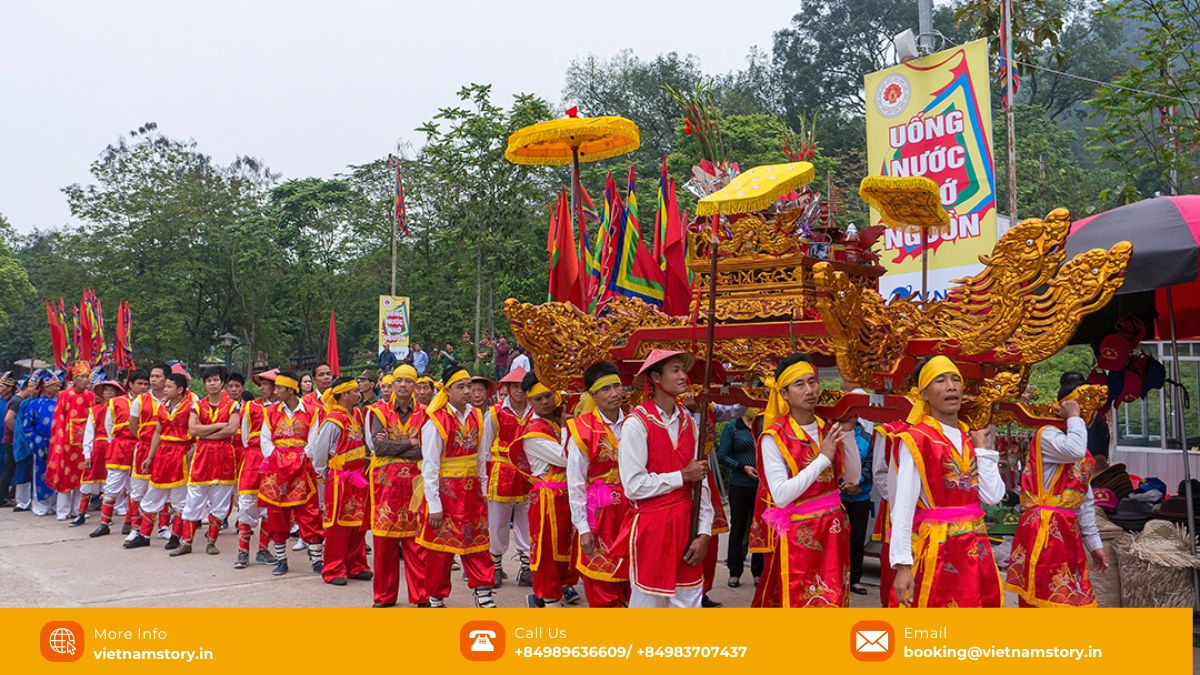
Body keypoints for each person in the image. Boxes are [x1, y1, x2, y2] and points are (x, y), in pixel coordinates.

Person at [890, 355, 1005, 608]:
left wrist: (982, 449)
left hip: (976, 546)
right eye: (939, 380)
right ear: (924, 394)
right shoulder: (917, 439)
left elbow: (993, 496)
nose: (951, 386)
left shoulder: (968, 437)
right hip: (938, 549)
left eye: (955, 379)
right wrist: (902, 565)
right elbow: (903, 507)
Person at [750, 354, 860, 608]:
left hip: (834, 528)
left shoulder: (826, 427)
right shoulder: (774, 437)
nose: (810, 390)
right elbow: (781, 495)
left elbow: (853, 478)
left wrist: (847, 431)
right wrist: (823, 458)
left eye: (812, 382)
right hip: (801, 535)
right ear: (784, 393)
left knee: (835, 599)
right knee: (803, 601)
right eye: (800, 384)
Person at [614, 350, 713, 608]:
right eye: (675, 370)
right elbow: (634, 486)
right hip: (652, 527)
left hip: (686, 525)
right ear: (656, 377)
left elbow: (701, 480)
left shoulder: (689, 422)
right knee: (648, 606)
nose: (683, 376)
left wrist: (703, 531)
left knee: (689, 604)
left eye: (683, 369)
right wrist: (682, 476)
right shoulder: (636, 424)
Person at [1004, 372, 1109, 607]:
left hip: (1067, 532)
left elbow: (1085, 502)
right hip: (1045, 530)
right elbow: (1074, 449)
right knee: (1048, 599)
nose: (1085, 416)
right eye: (1081, 409)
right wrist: (1074, 417)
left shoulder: (1082, 453)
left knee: (1073, 598)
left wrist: (1095, 545)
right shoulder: (1048, 436)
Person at [417, 366, 495, 608]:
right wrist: (434, 505)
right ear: (447, 390)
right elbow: (429, 466)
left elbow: (481, 457)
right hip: (446, 493)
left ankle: (483, 590)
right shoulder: (436, 421)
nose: (467, 391)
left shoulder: (477, 416)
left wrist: (483, 490)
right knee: (440, 550)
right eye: (460, 386)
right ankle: (436, 596)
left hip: (471, 493)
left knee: (478, 543)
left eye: (469, 386)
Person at [508, 371, 578, 608]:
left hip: (566, 495)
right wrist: (568, 427)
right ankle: (547, 597)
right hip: (548, 499)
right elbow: (566, 457)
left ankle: (555, 590)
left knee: (568, 547)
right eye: (539, 399)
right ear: (530, 402)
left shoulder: (553, 422)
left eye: (549, 396)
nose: (546, 402)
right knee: (547, 550)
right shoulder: (533, 433)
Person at [565, 361, 632, 607]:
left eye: (617, 386)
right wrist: (582, 527)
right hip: (598, 509)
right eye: (606, 389)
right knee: (601, 578)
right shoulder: (582, 429)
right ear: (592, 394)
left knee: (634, 577)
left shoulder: (636, 422)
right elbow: (575, 481)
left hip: (632, 507)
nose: (614, 394)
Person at [366, 364, 428, 607]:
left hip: (415, 483)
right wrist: (410, 442)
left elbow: (426, 449)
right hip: (386, 486)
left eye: (408, 381)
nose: (403, 385)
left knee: (417, 542)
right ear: (392, 383)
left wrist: (396, 444)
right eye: (399, 380)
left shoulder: (425, 412)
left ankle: (421, 595)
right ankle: (384, 596)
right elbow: (379, 448)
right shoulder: (377, 411)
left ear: (414, 386)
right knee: (384, 543)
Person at [258, 371, 323, 576]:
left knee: (309, 512)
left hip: (303, 468)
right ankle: (281, 560)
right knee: (277, 514)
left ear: (291, 390)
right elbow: (265, 440)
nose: (275, 391)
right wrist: (279, 460)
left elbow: (314, 440)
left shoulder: (312, 411)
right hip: (277, 470)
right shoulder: (269, 412)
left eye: (279, 388)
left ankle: (317, 559)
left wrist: (300, 458)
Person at [310, 376, 372, 586]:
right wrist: (325, 476)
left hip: (357, 478)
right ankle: (333, 568)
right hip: (340, 479)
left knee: (357, 524)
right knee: (337, 526)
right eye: (355, 390)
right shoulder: (333, 420)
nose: (359, 393)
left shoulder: (356, 414)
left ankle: (356, 564)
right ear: (344, 395)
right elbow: (320, 452)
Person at [174, 367, 240, 556]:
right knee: (194, 499)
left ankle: (212, 541)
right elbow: (193, 430)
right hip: (202, 457)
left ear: (222, 383)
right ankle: (186, 542)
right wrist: (219, 425)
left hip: (223, 457)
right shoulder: (197, 405)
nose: (212, 383)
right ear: (204, 384)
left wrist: (207, 432)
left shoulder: (233, 405)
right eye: (208, 380)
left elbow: (232, 429)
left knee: (219, 501)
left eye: (215, 380)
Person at [126, 372, 194, 550]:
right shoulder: (163, 406)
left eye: (169, 387)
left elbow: (197, 433)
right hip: (163, 454)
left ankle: (175, 536)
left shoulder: (192, 406)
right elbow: (157, 431)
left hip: (181, 452)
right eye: (166, 386)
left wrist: (190, 454)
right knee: (153, 494)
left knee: (180, 497)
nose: (165, 389)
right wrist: (150, 456)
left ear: (180, 390)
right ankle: (144, 534)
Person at [480, 368, 533, 588]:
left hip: (528, 474)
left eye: (522, 387)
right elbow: (484, 449)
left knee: (528, 521)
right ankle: (496, 566)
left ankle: (526, 566)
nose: (519, 391)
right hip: (501, 473)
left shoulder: (535, 411)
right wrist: (483, 481)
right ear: (507, 388)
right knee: (497, 523)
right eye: (514, 386)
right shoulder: (496, 413)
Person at [88, 370, 148, 537]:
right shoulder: (116, 402)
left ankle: (130, 522)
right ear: (130, 384)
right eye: (139, 384)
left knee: (134, 489)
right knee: (112, 487)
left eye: (145, 384)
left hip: (139, 448)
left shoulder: (150, 402)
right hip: (120, 448)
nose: (143, 387)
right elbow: (109, 427)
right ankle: (104, 523)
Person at [233, 369, 277, 568]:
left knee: (269, 506)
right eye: (262, 383)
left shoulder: (283, 409)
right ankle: (243, 551)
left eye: (267, 384)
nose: (263, 387)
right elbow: (244, 438)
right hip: (252, 459)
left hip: (275, 460)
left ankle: (263, 550)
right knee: (247, 503)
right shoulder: (250, 407)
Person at [716, 406, 762, 588]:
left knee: (759, 526)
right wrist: (742, 467)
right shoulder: (733, 427)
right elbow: (722, 455)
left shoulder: (764, 424)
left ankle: (758, 571)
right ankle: (734, 571)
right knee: (739, 527)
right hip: (740, 484)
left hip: (762, 486)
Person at [46, 361, 95, 521]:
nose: (85, 379)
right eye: (81, 376)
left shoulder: (90, 395)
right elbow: (59, 418)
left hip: (85, 441)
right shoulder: (65, 395)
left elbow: (93, 419)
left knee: (82, 476)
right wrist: (59, 440)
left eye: (87, 376)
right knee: (67, 475)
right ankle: (62, 510)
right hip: (67, 441)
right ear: (74, 378)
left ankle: (78, 510)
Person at [127, 363, 169, 541]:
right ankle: (135, 528)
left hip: (168, 450)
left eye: (158, 376)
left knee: (165, 489)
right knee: (138, 490)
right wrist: (146, 439)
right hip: (144, 449)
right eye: (152, 376)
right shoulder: (140, 400)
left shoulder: (174, 399)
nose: (153, 379)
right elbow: (132, 425)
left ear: (167, 379)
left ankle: (164, 526)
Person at [78, 379, 123, 527]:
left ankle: (106, 516)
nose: (109, 392)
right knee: (88, 480)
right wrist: (87, 453)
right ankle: (81, 513)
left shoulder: (121, 409)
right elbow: (89, 433)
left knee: (110, 482)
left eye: (112, 390)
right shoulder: (95, 410)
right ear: (102, 393)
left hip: (114, 448)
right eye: (106, 390)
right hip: (97, 448)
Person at [13, 371, 59, 516]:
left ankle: (55, 504)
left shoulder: (59, 403)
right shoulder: (33, 404)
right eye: (54, 385)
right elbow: (27, 427)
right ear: (45, 387)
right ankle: (40, 505)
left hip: (57, 444)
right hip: (40, 445)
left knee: (56, 474)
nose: (58, 387)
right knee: (39, 474)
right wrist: (37, 440)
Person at [1, 373, 33, 507]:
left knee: (11, 468)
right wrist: (19, 434)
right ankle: (3, 497)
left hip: (9, 439)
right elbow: (8, 419)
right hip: (11, 440)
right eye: (32, 387)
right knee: (10, 468)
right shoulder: (17, 401)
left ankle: (9, 495)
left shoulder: (16, 400)